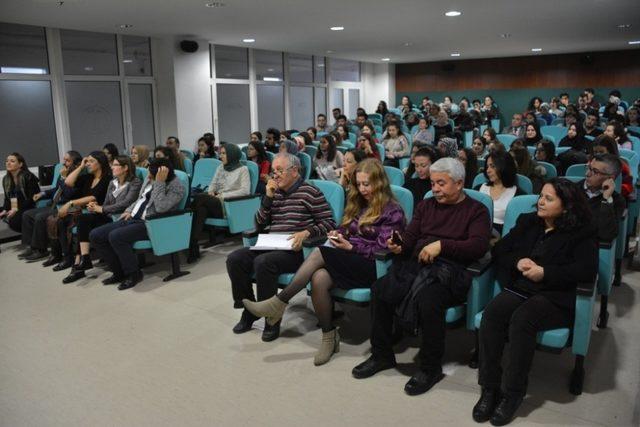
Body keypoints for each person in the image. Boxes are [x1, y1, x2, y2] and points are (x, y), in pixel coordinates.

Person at [243, 159, 406, 364]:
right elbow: (347, 229)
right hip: (349, 260)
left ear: (380, 183)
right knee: (319, 277)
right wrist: (338, 234)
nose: (363, 189)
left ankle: (279, 301)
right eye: (360, 184)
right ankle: (329, 336)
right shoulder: (359, 204)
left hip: (373, 265)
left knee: (320, 252)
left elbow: (382, 248)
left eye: (368, 184)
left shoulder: (393, 210)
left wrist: (352, 247)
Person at [352, 158, 491, 395]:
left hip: (450, 272)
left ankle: (430, 367)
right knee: (381, 290)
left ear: (459, 184)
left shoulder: (475, 211)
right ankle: (382, 355)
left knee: (428, 300)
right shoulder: (426, 206)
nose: (434, 188)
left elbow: (478, 247)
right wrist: (398, 245)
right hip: (416, 265)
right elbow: (409, 238)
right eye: (433, 183)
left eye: (441, 183)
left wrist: (442, 246)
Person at [474, 179, 597, 426]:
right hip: (522, 287)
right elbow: (500, 251)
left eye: (549, 199)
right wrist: (519, 261)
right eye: (541, 196)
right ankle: (489, 388)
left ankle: (513, 393)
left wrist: (546, 272)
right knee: (493, 314)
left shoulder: (582, 231)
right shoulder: (528, 222)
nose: (540, 201)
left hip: (555, 295)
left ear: (566, 206)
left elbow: (585, 270)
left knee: (522, 320)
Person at [225, 153, 336, 341]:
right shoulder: (274, 192)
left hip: (297, 249)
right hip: (272, 244)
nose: (274, 175)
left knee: (263, 262)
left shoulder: (310, 191)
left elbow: (329, 223)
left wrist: (307, 232)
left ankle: (271, 319)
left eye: (279, 170)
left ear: (294, 171)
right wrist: (267, 198)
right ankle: (249, 310)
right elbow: (259, 223)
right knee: (235, 259)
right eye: (273, 171)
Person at [90, 158, 185, 290]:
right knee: (96, 235)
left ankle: (134, 274)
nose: (147, 173)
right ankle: (119, 272)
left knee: (116, 236)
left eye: (150, 170)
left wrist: (159, 183)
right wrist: (129, 210)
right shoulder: (149, 178)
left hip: (151, 223)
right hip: (133, 217)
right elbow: (141, 199)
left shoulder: (176, 186)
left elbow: (161, 207)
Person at [62, 156, 142, 283]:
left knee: (89, 226)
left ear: (125, 168)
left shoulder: (135, 182)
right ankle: (85, 258)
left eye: (115, 165)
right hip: (109, 215)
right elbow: (106, 203)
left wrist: (102, 209)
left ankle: (81, 263)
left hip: (121, 217)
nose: (112, 167)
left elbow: (126, 203)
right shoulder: (113, 182)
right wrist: (95, 207)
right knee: (83, 219)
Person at [50, 151, 112, 271]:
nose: (88, 164)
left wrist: (70, 203)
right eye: (87, 161)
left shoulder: (107, 178)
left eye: (91, 161)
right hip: (84, 211)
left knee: (81, 220)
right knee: (60, 221)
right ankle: (69, 258)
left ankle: (80, 260)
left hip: (99, 212)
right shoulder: (88, 177)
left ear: (100, 163)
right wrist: (81, 166)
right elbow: (68, 182)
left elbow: (94, 197)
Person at [188, 144, 250, 262]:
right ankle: (193, 245)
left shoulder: (243, 169)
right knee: (201, 210)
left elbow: (245, 191)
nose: (220, 156)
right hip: (215, 202)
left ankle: (187, 240)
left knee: (200, 199)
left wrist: (222, 195)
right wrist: (211, 191)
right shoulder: (221, 167)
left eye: (223, 153)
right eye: (220, 153)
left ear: (232, 154)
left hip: (229, 205)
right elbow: (213, 183)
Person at [19, 151, 82, 262]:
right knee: (27, 214)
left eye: (67, 161)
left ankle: (41, 250)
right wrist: (42, 194)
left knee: (40, 217)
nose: (64, 163)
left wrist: (63, 178)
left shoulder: (78, 176)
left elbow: (68, 194)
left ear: (76, 163)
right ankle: (32, 247)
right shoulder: (64, 172)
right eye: (64, 160)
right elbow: (56, 189)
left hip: (65, 206)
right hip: (53, 204)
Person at [476, 151, 525, 234]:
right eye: (487, 167)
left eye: (492, 166)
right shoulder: (478, 189)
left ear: (504, 167)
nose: (488, 170)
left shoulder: (519, 196)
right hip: (476, 230)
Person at [579, 154, 625, 242]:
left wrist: (606, 199)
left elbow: (606, 235)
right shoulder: (571, 190)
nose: (587, 174)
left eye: (595, 172)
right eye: (588, 168)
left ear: (610, 178)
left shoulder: (616, 200)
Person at [1, 153, 40, 233]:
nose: (8, 163)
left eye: (12, 161)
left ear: (20, 164)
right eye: (7, 161)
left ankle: (32, 237)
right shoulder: (6, 179)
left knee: (14, 221)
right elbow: (7, 198)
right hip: (14, 206)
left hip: (29, 206)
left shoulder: (28, 176)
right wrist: (5, 210)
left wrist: (15, 210)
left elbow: (31, 198)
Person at [591, 135, 634, 200]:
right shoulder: (590, 164)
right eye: (595, 152)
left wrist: (612, 190)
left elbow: (628, 187)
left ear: (611, 151)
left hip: (613, 199)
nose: (598, 155)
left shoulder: (622, 166)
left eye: (601, 152)